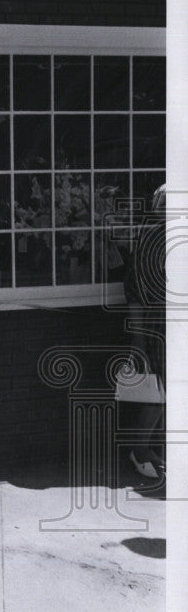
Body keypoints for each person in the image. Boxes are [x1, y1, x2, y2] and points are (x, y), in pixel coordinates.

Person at [120, 183, 166, 479]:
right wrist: (137, 342)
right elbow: (134, 292)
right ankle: (138, 449)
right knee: (159, 388)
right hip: (156, 325)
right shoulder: (151, 240)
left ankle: (150, 449)